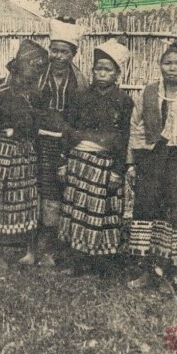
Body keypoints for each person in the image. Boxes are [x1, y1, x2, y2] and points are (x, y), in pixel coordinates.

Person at [127, 39, 177, 289]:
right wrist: (131, 163)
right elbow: (134, 127)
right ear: (160, 65)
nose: (173, 68)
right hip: (150, 159)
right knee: (146, 211)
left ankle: (168, 274)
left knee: (173, 213)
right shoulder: (147, 92)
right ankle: (146, 271)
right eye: (168, 62)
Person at [57, 40, 133, 276]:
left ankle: (101, 263)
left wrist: (117, 171)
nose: (102, 74)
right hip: (79, 161)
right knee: (77, 210)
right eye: (98, 68)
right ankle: (76, 261)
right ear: (92, 70)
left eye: (108, 69)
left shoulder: (124, 101)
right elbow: (67, 129)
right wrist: (63, 161)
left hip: (105, 164)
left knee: (102, 211)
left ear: (118, 73)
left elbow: (124, 137)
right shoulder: (80, 97)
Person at [0, 40, 48, 265]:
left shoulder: (37, 95)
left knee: (25, 200)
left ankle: (28, 250)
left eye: (37, 69)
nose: (28, 76)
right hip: (3, 149)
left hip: (25, 151)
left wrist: (18, 130)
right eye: (27, 68)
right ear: (16, 69)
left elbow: (38, 123)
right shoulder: (1, 91)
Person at [35, 18, 87, 266]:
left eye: (64, 52)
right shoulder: (37, 74)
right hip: (36, 141)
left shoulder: (80, 82)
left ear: (73, 54)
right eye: (54, 50)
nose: (57, 56)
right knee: (36, 189)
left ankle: (53, 244)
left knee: (57, 192)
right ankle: (32, 243)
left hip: (65, 145)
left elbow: (80, 120)